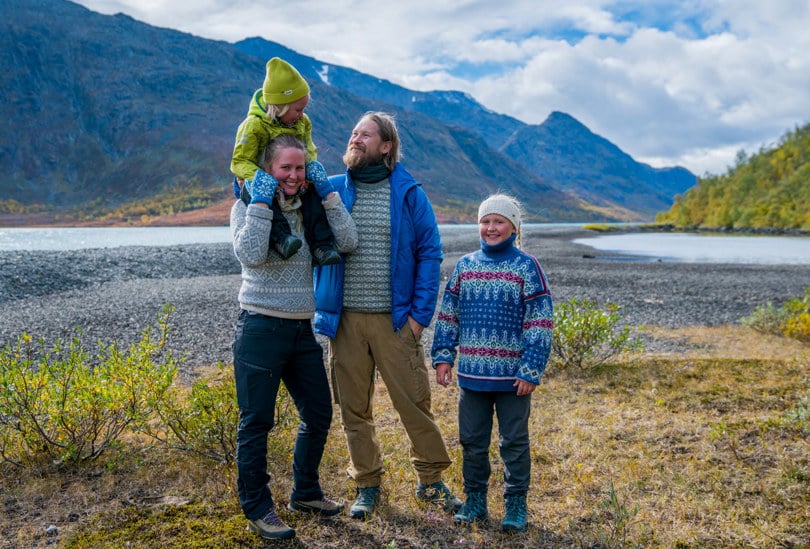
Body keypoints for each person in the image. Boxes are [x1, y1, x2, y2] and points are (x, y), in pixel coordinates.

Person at [313, 111, 462, 519]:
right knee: (353, 408)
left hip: (396, 321)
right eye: (353, 133)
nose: (355, 138)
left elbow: (430, 253)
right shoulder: (333, 190)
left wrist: (418, 318)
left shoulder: (409, 193)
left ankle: (430, 481)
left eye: (365, 134)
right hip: (343, 321)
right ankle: (367, 484)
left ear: (386, 145)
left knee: (413, 402)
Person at [231, 134, 357, 541]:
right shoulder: (246, 206)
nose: (293, 175)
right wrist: (264, 202)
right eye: (285, 167)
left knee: (318, 412)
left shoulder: (311, 207)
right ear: (268, 170)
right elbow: (250, 252)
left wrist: (326, 192)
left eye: (300, 168)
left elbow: (348, 240)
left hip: (303, 328)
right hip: (260, 328)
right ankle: (257, 507)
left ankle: (305, 492)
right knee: (256, 422)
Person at [430, 193, 553, 533]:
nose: (491, 228)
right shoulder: (466, 266)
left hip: (514, 379)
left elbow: (540, 321)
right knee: (472, 441)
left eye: (499, 221)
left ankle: (515, 503)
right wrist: (443, 356)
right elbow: (448, 316)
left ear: (513, 227)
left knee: (513, 441)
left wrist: (531, 368)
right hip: (471, 375)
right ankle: (475, 501)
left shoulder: (527, 267)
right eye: (485, 221)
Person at [231, 56, 341, 266]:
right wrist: (259, 178)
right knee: (266, 198)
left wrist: (308, 172)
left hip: (289, 178)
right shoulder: (253, 125)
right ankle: (281, 239)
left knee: (313, 200)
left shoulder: (302, 123)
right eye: (298, 109)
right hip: (254, 180)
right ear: (280, 106)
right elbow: (239, 161)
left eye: (304, 109)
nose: (302, 115)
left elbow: (308, 149)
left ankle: (322, 246)